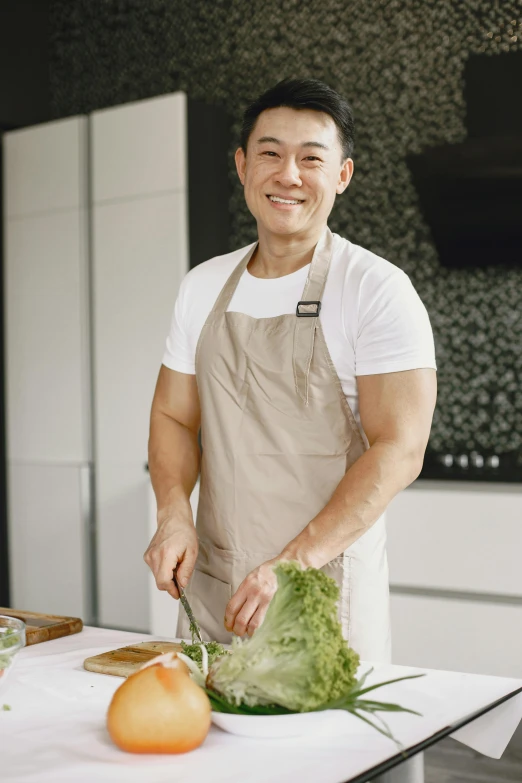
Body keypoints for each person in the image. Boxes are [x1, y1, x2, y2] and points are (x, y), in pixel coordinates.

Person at [144, 78, 437, 661]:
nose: (289, 175)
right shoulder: (202, 286)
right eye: (271, 153)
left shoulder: (375, 289)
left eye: (311, 159)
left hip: (321, 588)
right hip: (218, 588)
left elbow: (400, 449)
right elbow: (174, 416)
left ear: (343, 176)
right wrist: (174, 512)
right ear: (242, 165)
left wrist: (290, 564)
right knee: (209, 746)